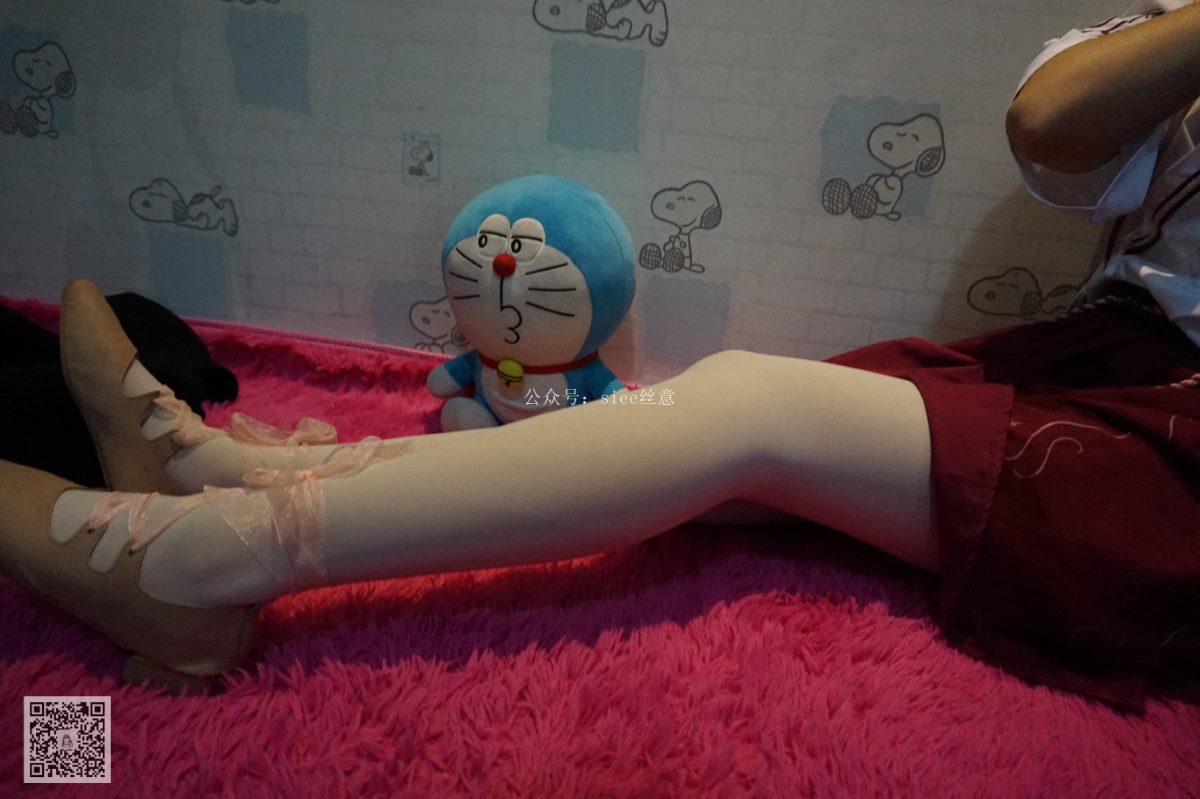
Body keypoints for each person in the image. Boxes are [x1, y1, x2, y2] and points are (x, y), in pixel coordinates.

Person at [2, 1, 1199, 712]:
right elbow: (1051, 127)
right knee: (714, 460)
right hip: (1102, 366)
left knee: (742, 409)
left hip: (1164, 451)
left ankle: (204, 562)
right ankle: (226, 475)